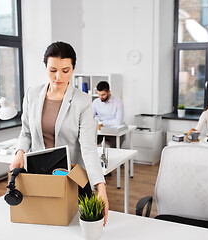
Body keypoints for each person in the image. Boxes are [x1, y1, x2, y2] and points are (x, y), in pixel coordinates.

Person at [9, 41, 109, 226]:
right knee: (40, 226)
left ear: (73, 69)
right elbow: (26, 133)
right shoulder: (32, 94)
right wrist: (19, 152)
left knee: (75, 228)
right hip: (39, 175)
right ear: (45, 66)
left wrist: (100, 186)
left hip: (71, 177)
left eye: (65, 70)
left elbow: (87, 147)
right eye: (53, 70)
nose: (58, 77)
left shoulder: (82, 100)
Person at [92, 81, 124, 146]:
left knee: (114, 148)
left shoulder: (118, 102)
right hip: (100, 131)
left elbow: (118, 122)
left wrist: (102, 122)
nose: (101, 97)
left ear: (109, 92)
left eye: (103, 94)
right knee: (91, 143)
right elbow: (90, 118)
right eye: (99, 94)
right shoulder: (96, 102)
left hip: (113, 131)